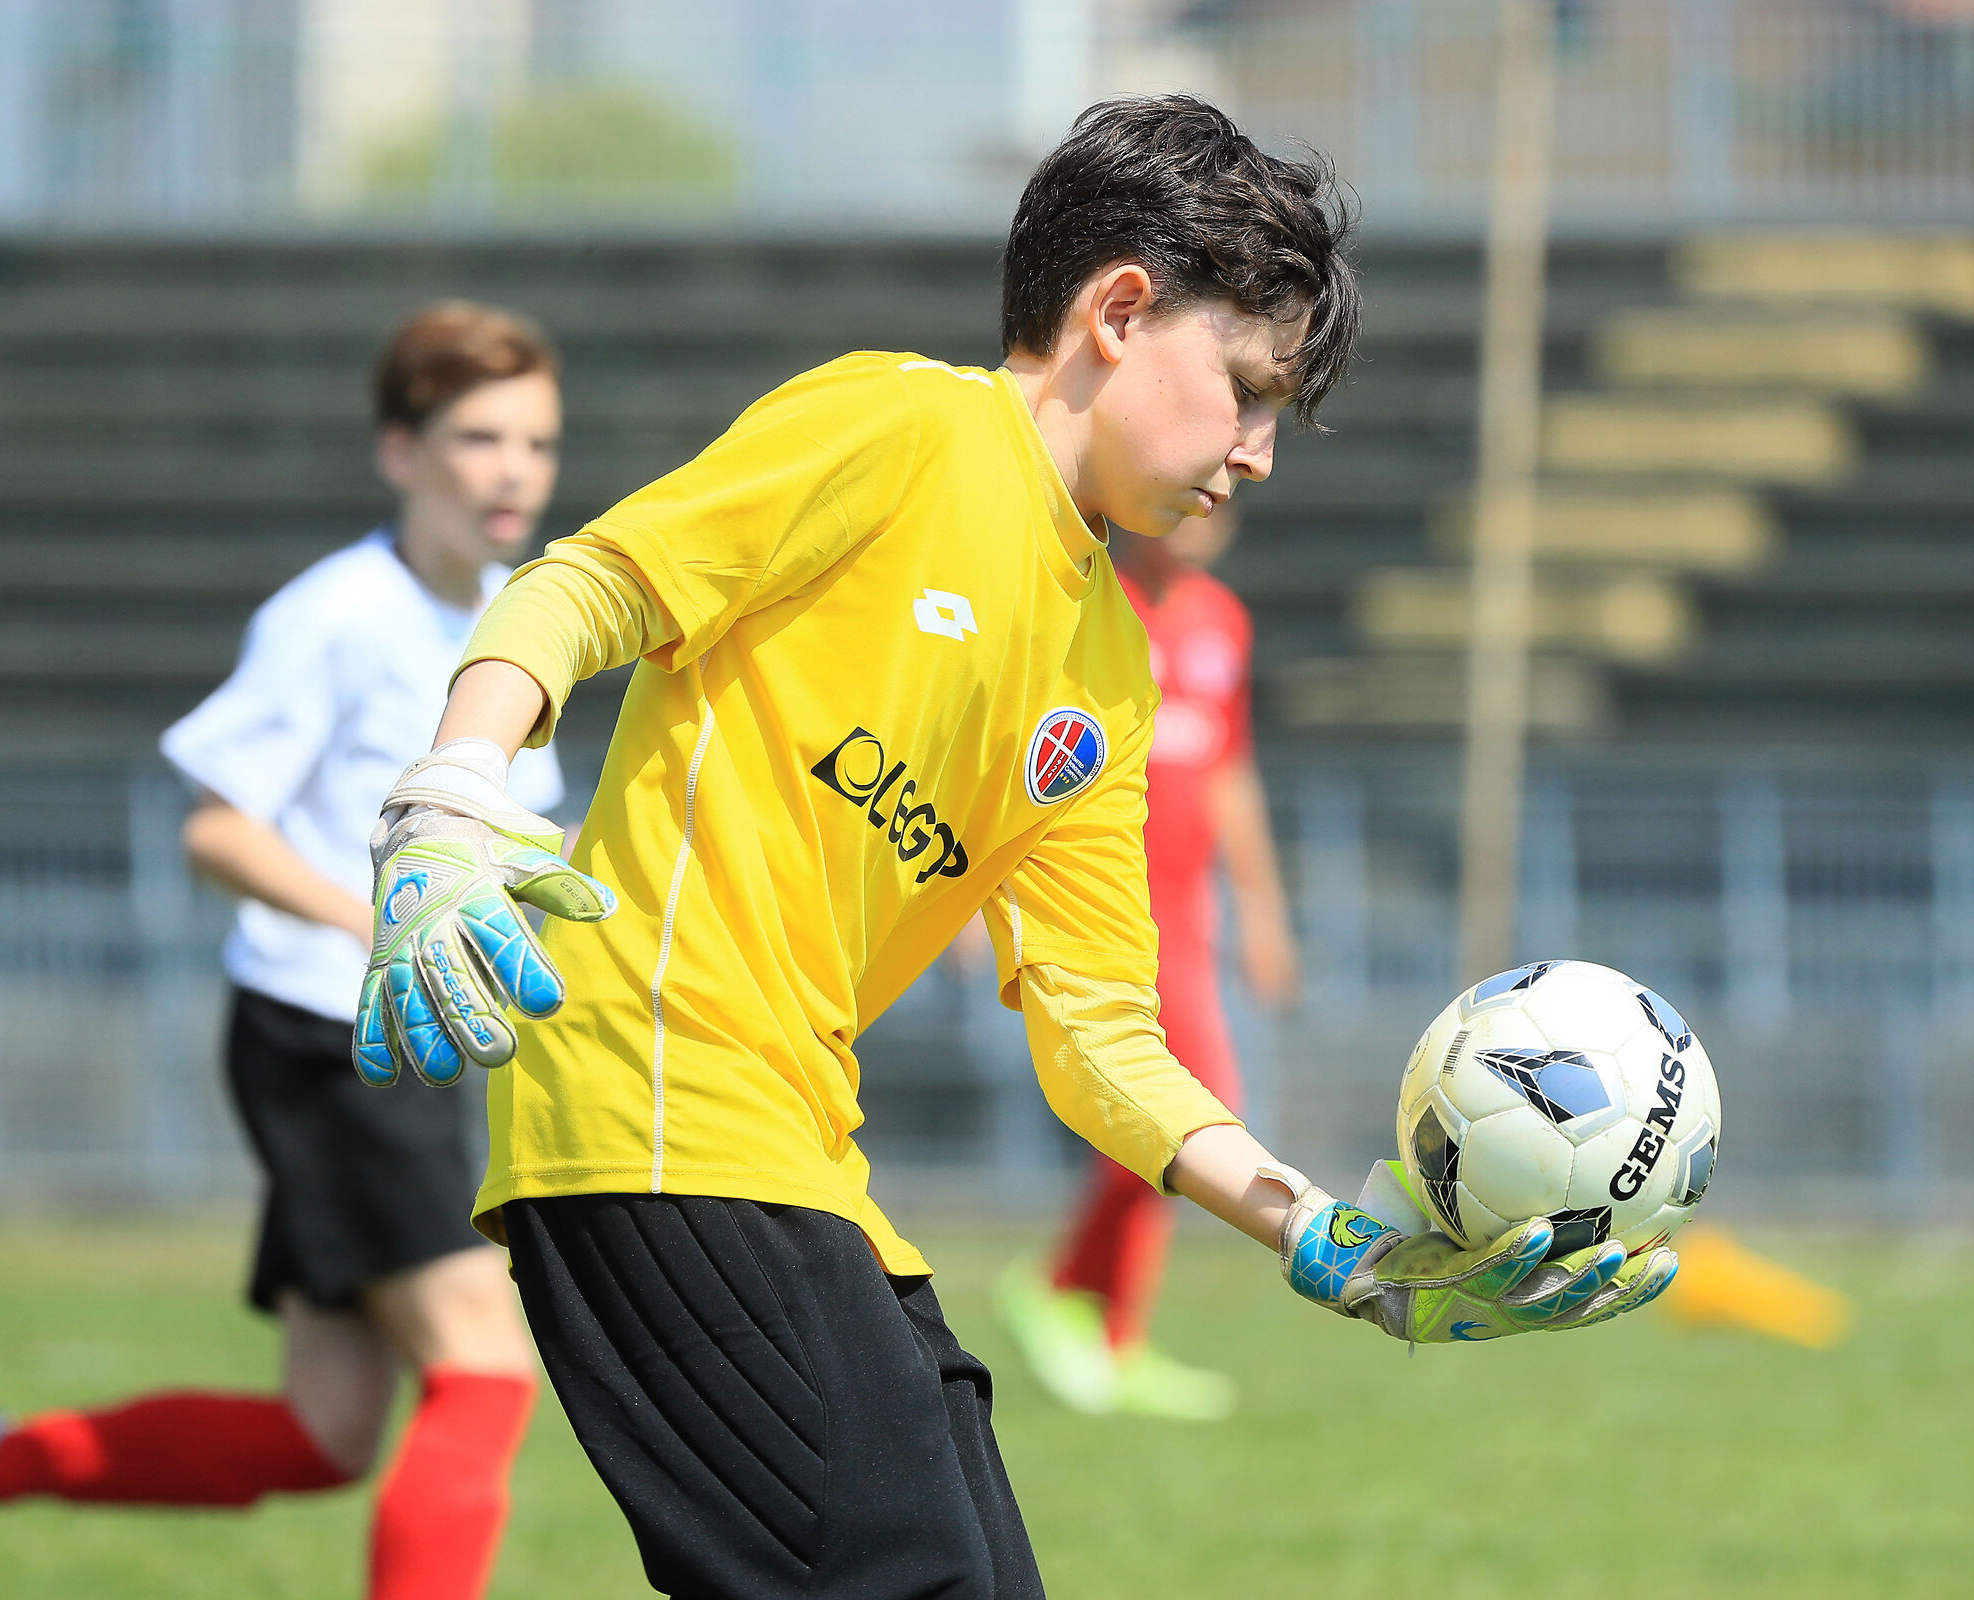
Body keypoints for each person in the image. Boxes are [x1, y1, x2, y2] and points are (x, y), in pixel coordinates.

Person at [349, 96, 1681, 1600]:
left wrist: (1323, 1237)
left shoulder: (1112, 671)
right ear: (1120, 309)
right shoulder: (903, 426)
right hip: (653, 1108)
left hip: (800, 1155)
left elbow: (1100, 1029)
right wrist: (452, 795)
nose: (1255, 457)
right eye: (1243, 389)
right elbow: (588, 584)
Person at [0, 302, 566, 1600]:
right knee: (485, 1369)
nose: (513, 469)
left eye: (536, 441)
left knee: (326, 1432)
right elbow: (218, 831)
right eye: (478, 437)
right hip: (329, 1035)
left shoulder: (520, 620)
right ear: (401, 452)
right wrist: (372, 916)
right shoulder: (336, 612)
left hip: (402, 1049)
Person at [994, 496, 1294, 1421]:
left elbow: (1230, 771)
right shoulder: (1085, 608)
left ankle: (1100, 1322)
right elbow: (1009, 749)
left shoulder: (1223, 623)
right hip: (1104, 894)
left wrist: (1263, 908)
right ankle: (1067, 1297)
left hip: (1187, 918)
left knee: (1186, 1112)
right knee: (1190, 1108)